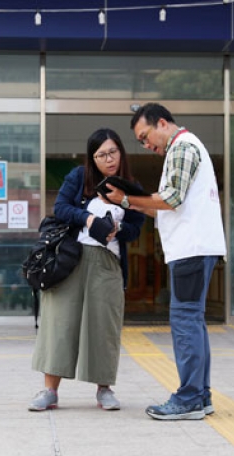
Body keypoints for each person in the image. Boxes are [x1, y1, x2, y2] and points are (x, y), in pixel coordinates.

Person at [105, 103, 226, 420]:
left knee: (185, 321)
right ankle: (200, 396)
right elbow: (166, 207)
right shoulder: (184, 147)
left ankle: (189, 398)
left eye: (145, 137)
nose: (146, 145)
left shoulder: (182, 147)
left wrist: (126, 199)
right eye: (141, 142)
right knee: (193, 321)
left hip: (191, 249)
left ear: (161, 123)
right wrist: (130, 202)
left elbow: (171, 199)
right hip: (195, 248)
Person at [28, 128, 145, 412]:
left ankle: (104, 388)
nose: (109, 159)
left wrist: (117, 229)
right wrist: (90, 220)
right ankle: (50, 391)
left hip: (107, 262)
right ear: (92, 158)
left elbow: (135, 230)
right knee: (59, 322)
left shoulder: (132, 187)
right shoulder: (79, 177)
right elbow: (61, 207)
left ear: (121, 152)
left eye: (113, 152)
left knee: (104, 326)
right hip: (71, 259)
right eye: (101, 155)